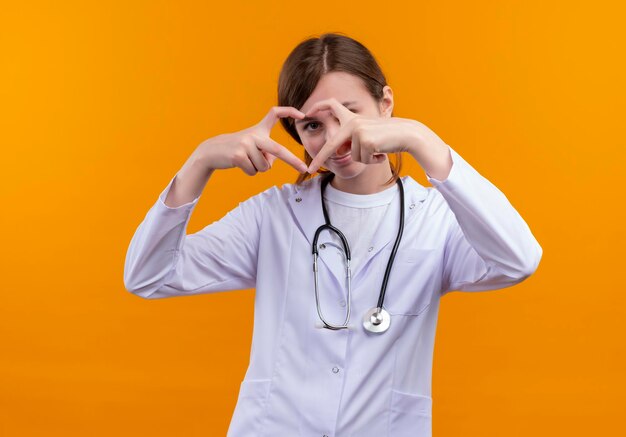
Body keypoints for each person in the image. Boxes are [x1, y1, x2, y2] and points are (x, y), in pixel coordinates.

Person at [123, 32, 542, 437]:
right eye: (312, 126)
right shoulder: (275, 216)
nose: (335, 138)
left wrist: (421, 139)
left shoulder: (436, 219)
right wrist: (199, 163)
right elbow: (148, 276)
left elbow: (518, 259)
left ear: (386, 104)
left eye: (348, 112)